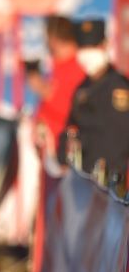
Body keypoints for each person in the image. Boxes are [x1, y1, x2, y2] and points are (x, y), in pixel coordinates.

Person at [59, 19, 129, 187]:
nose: (87, 54)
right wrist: (64, 152)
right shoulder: (81, 89)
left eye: (93, 47)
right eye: (84, 48)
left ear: (105, 45)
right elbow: (69, 128)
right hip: (82, 186)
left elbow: (117, 141)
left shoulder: (119, 88)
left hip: (110, 187)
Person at [28, 16, 85, 156]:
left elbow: (77, 114)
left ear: (53, 38)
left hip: (66, 152)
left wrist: (46, 93)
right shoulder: (55, 64)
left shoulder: (80, 66)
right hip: (50, 150)